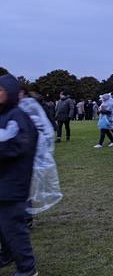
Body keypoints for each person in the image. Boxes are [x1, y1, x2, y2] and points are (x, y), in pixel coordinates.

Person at [0, 74, 39, 276]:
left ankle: (27, 266)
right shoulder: (4, 115)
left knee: (13, 226)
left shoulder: (18, 116)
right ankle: (7, 255)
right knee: (3, 225)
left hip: (13, 183)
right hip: (3, 182)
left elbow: (15, 145)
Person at [18, 88, 62, 217]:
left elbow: (42, 130)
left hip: (27, 154)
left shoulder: (31, 107)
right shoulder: (12, 107)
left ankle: (25, 217)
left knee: (24, 187)